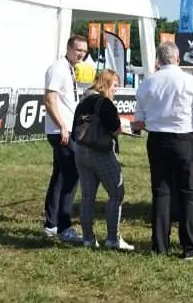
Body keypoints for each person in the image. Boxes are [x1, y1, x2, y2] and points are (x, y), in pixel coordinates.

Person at [132, 41, 193, 260]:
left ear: (158, 60)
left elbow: (139, 121)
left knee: (161, 192)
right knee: (188, 193)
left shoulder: (147, 83)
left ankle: (159, 246)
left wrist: (155, 124)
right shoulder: (190, 81)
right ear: (178, 58)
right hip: (184, 138)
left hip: (157, 139)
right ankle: (190, 247)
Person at [73, 68, 134, 251]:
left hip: (81, 151)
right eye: (114, 85)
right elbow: (114, 128)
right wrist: (122, 128)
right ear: (106, 84)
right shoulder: (104, 103)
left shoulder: (83, 101)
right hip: (101, 153)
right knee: (116, 193)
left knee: (87, 197)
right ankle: (112, 238)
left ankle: (88, 238)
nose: (116, 89)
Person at [42, 35, 88, 243]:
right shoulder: (58, 68)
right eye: (78, 50)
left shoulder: (69, 68)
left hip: (68, 129)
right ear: (68, 48)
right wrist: (61, 125)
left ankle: (52, 223)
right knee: (71, 175)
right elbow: (49, 100)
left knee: (60, 175)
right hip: (62, 131)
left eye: (84, 51)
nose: (81, 54)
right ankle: (64, 226)